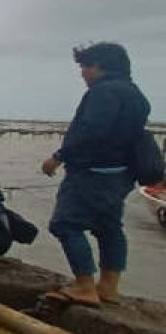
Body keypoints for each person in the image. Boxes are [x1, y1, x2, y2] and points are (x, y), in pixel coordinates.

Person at [43, 42, 150, 305]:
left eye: (85, 66)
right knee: (109, 226)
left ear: (100, 66)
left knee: (65, 224)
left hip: (92, 172)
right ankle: (108, 287)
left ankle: (84, 286)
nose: (82, 73)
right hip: (122, 174)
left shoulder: (103, 93)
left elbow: (90, 132)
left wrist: (57, 158)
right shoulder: (136, 94)